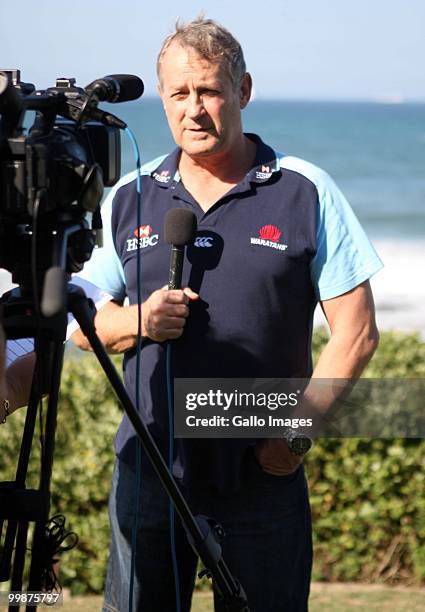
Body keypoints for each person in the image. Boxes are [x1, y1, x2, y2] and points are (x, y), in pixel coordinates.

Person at [73, 17, 383, 612]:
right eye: (179, 93)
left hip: (260, 480)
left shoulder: (304, 189)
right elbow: (81, 317)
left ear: (242, 91)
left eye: (210, 90)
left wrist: (292, 440)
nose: (194, 109)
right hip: (150, 472)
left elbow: (358, 332)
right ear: (162, 98)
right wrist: (135, 320)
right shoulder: (130, 195)